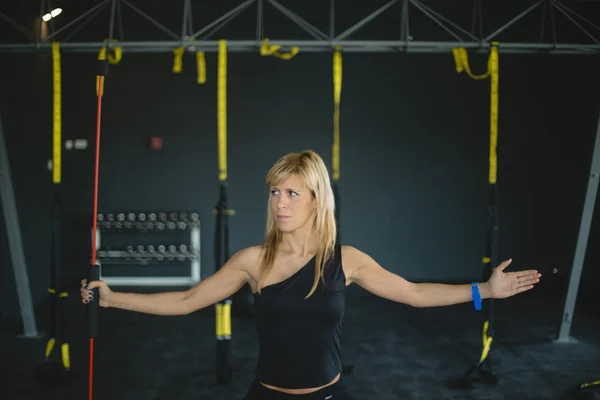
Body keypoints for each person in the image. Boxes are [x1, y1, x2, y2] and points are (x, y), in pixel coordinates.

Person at [81, 150, 541, 399]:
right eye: (275, 192)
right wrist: (113, 297)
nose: (280, 203)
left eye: (292, 193)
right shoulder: (252, 261)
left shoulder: (348, 259)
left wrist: (484, 290)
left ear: (317, 200)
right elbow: (186, 301)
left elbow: (415, 293)